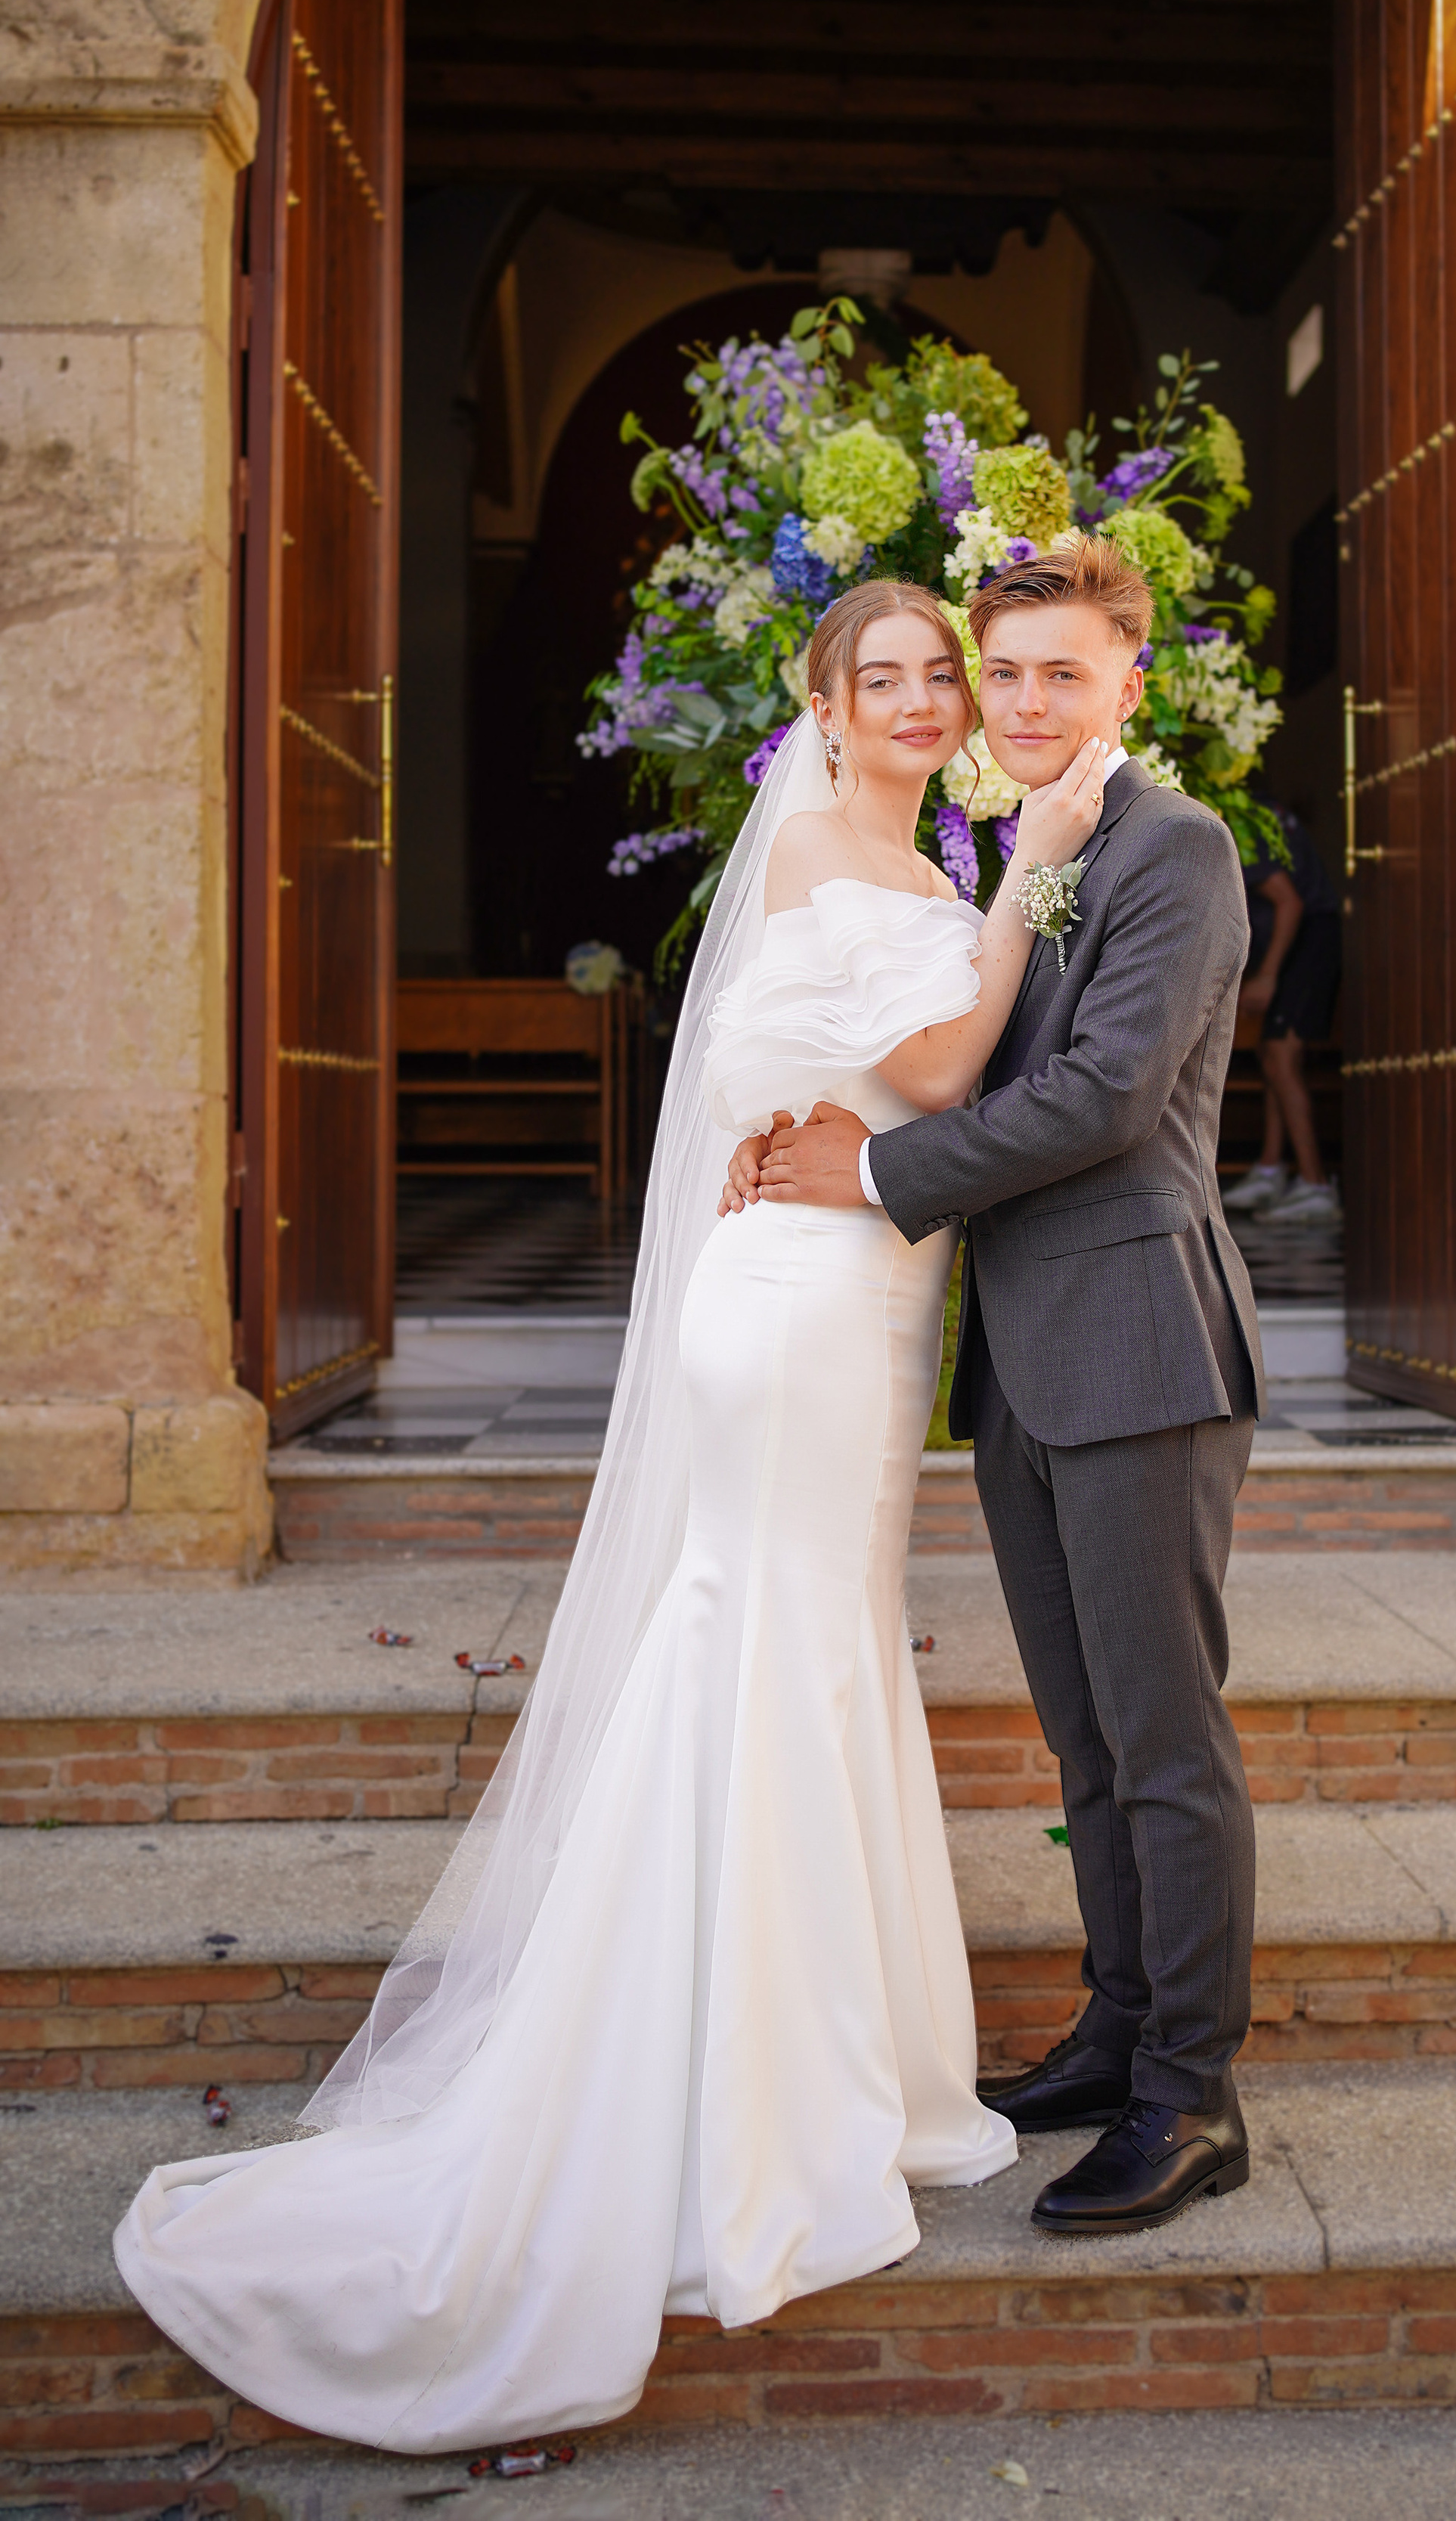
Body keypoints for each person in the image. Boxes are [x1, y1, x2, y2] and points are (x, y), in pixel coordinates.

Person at [113, 579, 1108, 2454]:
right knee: (767, 1646)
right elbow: (938, 1078)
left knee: (807, 1645)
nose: (912, 698)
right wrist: (1031, 871)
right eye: (877, 676)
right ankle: (726, 2090)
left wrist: (995, 888)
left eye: (932, 676)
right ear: (820, 709)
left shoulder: (901, 867)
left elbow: (903, 1099)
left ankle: (821, 2058)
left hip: (854, 1304)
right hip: (799, 1312)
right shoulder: (834, 857)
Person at [727, 535, 1263, 2239]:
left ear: (1130, 682)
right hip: (1020, 1356)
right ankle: (1115, 2035)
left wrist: (877, 1178)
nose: (1024, 703)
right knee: (1084, 1734)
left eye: (1059, 673)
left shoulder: (1174, 850)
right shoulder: (1023, 852)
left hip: (1134, 1339)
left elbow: (1104, 1099)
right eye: (1005, 672)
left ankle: (1190, 2096)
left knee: (1163, 1737)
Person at [1219, 805, 1343, 1226]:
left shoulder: (1243, 822)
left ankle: (1315, 1183)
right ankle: (1271, 1169)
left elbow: (1288, 901)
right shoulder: (1258, 812)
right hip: (1299, 947)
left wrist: (1268, 975)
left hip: (1309, 945)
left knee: (1283, 1058)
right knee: (1274, 1056)